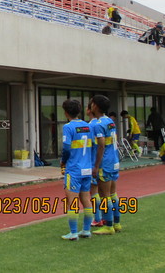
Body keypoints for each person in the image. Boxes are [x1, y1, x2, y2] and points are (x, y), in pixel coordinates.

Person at [59, 99, 93, 240]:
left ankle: (73, 232)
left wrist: (63, 162)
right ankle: (86, 230)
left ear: (66, 112)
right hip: (87, 168)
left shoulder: (68, 127)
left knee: (71, 201)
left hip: (74, 168)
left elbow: (66, 147)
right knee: (86, 199)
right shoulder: (88, 126)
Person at [91, 95, 122, 235]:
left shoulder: (98, 124)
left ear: (95, 106)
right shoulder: (110, 121)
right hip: (114, 160)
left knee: (104, 195)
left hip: (106, 163)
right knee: (113, 193)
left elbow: (101, 145)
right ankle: (117, 223)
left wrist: (96, 166)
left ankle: (108, 225)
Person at [86, 103, 102, 227]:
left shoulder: (91, 126)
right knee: (105, 193)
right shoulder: (104, 123)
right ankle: (106, 217)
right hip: (104, 162)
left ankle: (97, 218)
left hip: (93, 162)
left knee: (94, 192)